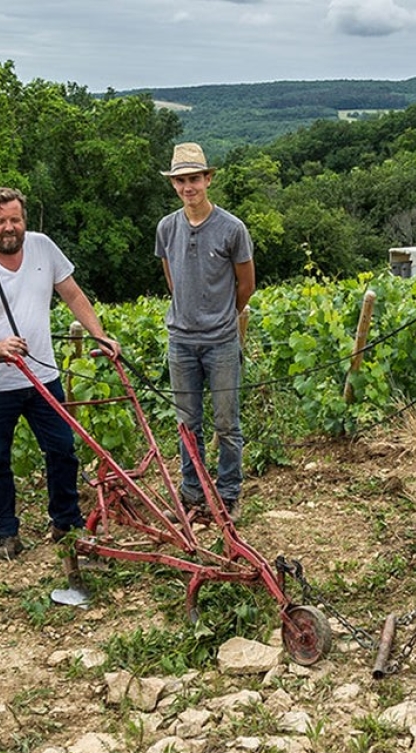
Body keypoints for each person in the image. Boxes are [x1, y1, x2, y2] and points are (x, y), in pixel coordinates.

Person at [0, 187, 120, 560]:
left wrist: (98, 334)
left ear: (25, 220)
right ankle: (5, 533)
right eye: (0, 221)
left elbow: (72, 294)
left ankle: (66, 523)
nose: (9, 227)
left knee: (62, 448)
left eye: (15, 219)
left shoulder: (43, 247)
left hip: (41, 376)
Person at [155, 142, 255, 522]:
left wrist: (222, 316)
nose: (187, 187)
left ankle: (228, 492)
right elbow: (172, 278)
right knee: (187, 423)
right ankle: (193, 491)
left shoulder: (232, 229)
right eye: (180, 181)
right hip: (181, 341)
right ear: (174, 185)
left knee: (227, 422)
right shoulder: (167, 227)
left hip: (221, 342)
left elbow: (246, 284)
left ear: (208, 179)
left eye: (194, 179)